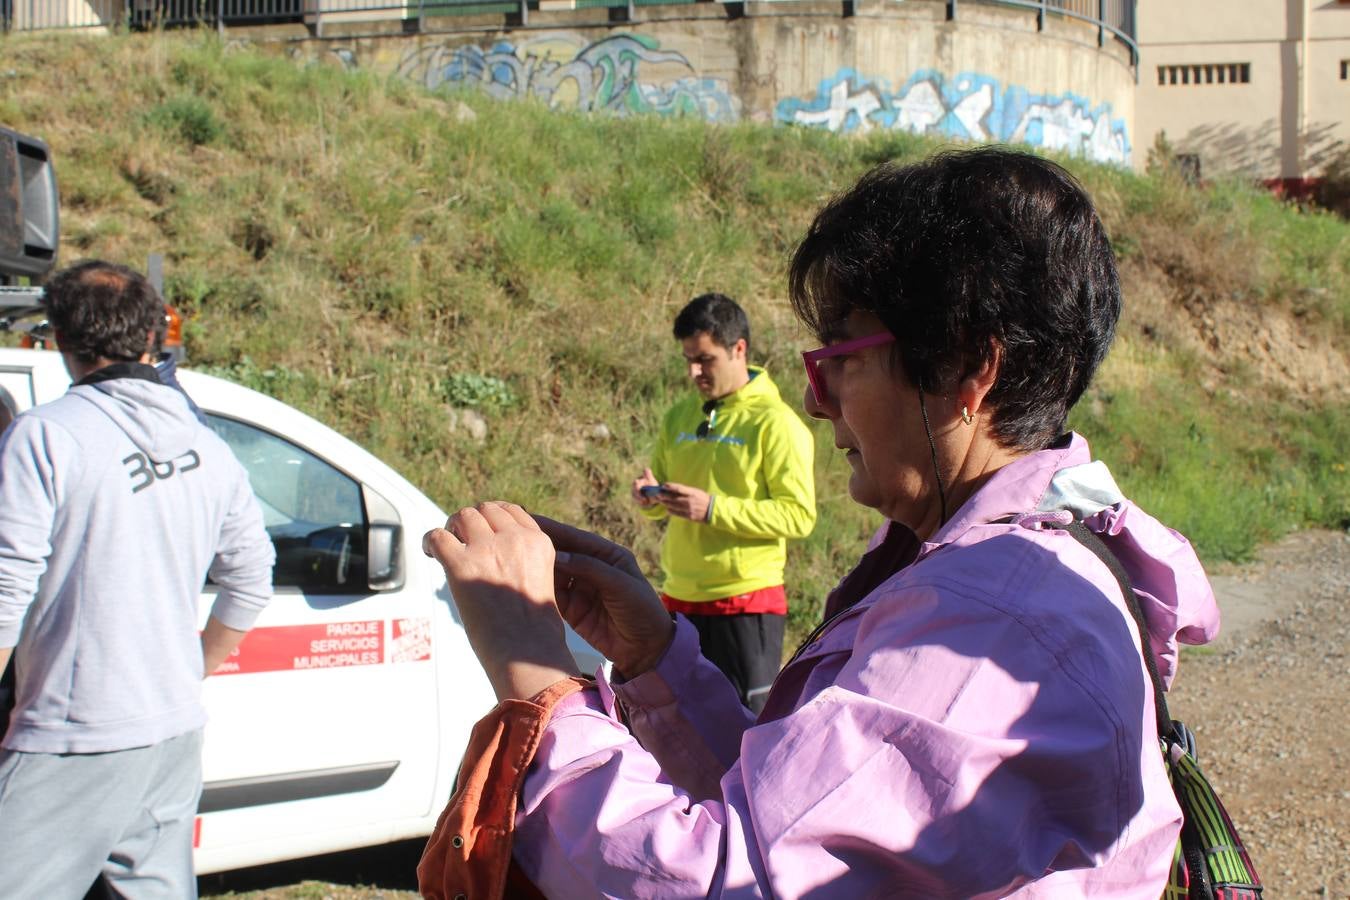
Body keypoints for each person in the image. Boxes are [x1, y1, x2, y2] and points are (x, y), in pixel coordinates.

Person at [416, 148, 1221, 898]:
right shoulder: (1003, 560)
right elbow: (796, 817)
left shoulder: (989, 625)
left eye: (843, 357)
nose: (816, 397)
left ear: (972, 369)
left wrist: (535, 678)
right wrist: (653, 656)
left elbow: (725, 879)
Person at [0, 260, 275, 898]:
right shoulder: (206, 446)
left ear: (62, 340)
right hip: (171, 732)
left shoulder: (45, 436)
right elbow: (252, 576)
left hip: (73, 733)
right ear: (153, 337)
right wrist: (189, 667)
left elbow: (6, 590)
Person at [632, 293, 816, 711]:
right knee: (670, 735)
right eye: (688, 359)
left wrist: (713, 509)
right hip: (678, 599)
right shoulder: (679, 415)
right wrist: (651, 496)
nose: (695, 371)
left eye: (706, 359)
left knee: (741, 743)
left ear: (739, 349)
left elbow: (799, 516)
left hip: (745, 603)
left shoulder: (777, 423)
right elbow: (666, 492)